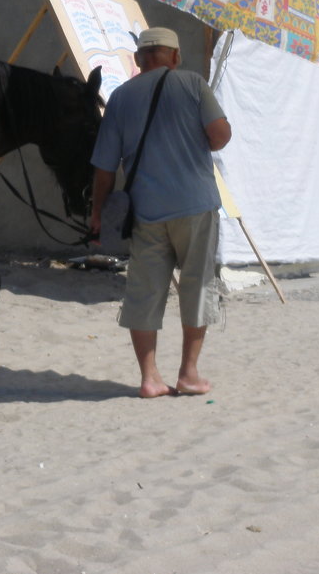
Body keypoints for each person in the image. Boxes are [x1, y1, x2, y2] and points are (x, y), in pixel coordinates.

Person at [90, 27, 232, 398]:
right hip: (195, 205)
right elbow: (218, 136)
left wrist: (97, 213)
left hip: (146, 211)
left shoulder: (120, 98)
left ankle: (150, 378)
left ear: (139, 60)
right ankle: (188, 373)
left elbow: (104, 167)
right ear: (175, 56)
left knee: (144, 292)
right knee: (197, 285)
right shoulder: (193, 84)